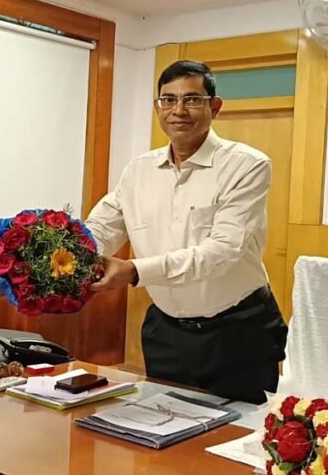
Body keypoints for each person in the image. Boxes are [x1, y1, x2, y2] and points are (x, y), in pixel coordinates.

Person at [86, 60, 288, 404]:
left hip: (238, 332)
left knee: (238, 432)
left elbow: (222, 251)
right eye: (168, 100)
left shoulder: (247, 165)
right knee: (164, 424)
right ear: (157, 107)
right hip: (166, 333)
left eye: (192, 99)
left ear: (215, 106)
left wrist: (134, 271)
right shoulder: (138, 171)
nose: (178, 110)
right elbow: (100, 229)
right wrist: (54, 259)